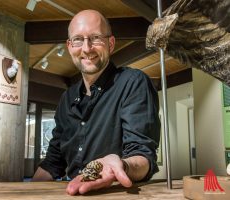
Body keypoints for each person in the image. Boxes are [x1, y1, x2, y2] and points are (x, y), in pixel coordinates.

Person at [32, 9, 161, 196]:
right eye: (78, 39)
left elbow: (142, 156)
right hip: (72, 192)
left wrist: (121, 165)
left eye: (96, 38)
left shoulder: (133, 83)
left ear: (111, 44)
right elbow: (53, 161)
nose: (86, 48)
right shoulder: (67, 98)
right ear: (69, 46)